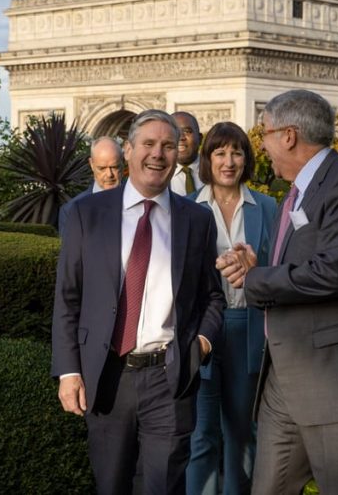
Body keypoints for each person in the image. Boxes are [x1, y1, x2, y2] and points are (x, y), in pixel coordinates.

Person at [216, 90, 338, 494]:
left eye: (264, 133)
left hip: (337, 380)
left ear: (288, 136)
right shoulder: (297, 191)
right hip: (284, 379)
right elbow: (301, 268)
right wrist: (257, 267)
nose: (261, 146)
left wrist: (254, 280)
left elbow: (331, 273)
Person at [53, 109, 225, 495]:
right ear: (128, 150)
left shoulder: (197, 220)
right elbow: (68, 296)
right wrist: (68, 371)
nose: (158, 154)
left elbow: (212, 295)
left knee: (163, 486)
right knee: (111, 485)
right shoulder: (85, 214)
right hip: (107, 376)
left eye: (168, 145)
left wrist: (201, 344)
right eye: (148, 144)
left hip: (170, 376)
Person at [186, 122, 278, 495]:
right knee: (201, 435)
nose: (229, 161)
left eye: (237, 152)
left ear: (247, 158)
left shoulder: (267, 207)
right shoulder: (187, 207)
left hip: (248, 328)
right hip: (201, 332)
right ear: (207, 159)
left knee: (242, 434)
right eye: (220, 152)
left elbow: (280, 270)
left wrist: (256, 268)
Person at [58, 137, 123, 235]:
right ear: (91, 164)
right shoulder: (71, 211)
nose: (109, 174)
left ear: (123, 163)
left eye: (114, 167)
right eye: (102, 168)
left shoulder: (142, 200)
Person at [169, 111, 205, 196]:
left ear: (200, 139)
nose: (181, 137)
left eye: (187, 131)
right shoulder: (157, 177)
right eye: (174, 132)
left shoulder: (216, 171)